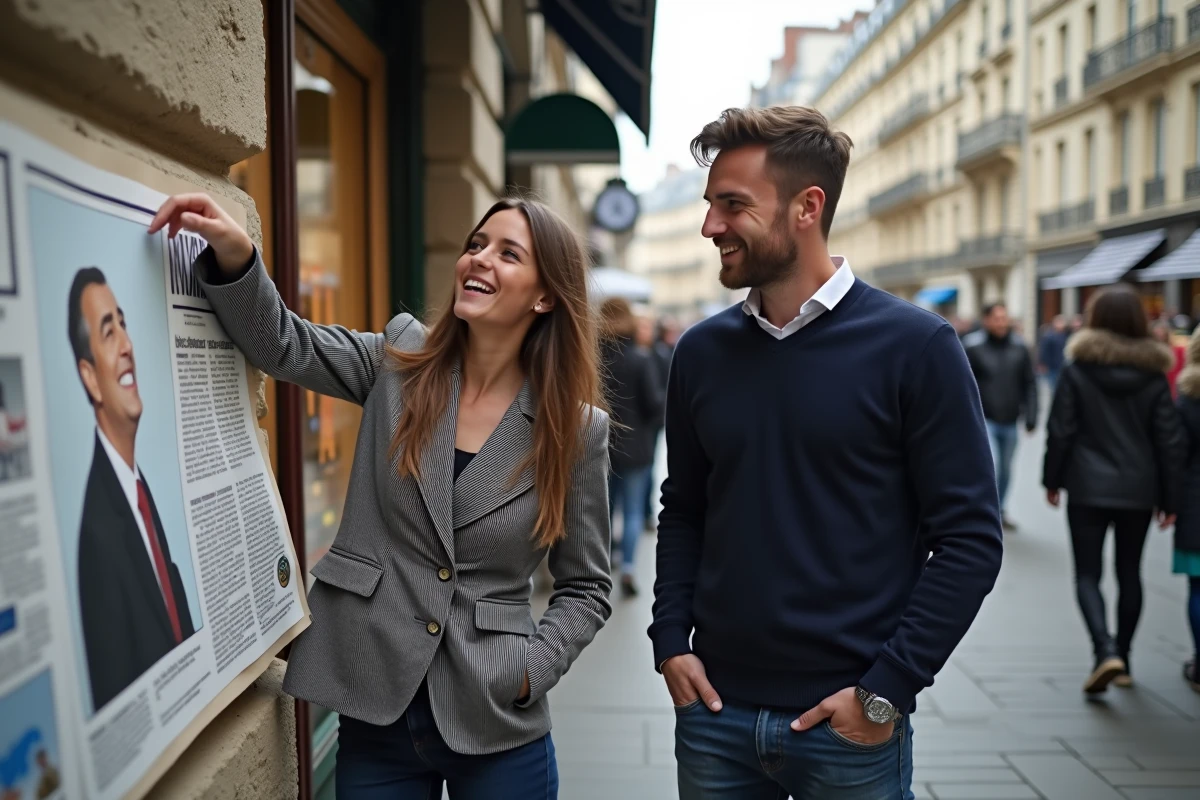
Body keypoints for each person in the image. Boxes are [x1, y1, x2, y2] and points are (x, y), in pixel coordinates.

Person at [150, 192, 612, 799]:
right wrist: (237, 259)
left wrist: (531, 670)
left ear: (545, 295)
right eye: (475, 245)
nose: (479, 260)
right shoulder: (402, 361)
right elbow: (286, 345)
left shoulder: (573, 429)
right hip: (374, 695)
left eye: (508, 254)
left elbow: (587, 584)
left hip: (494, 714)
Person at [649, 106, 1003, 800]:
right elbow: (684, 508)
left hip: (851, 728)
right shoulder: (699, 353)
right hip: (715, 718)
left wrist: (885, 692)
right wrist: (670, 643)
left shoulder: (917, 348)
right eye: (709, 204)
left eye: (733, 205)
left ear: (807, 207)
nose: (710, 226)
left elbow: (969, 539)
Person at [1042, 283, 1184, 694]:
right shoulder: (1154, 376)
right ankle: (1123, 656)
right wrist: (1170, 498)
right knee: (1130, 573)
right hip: (1138, 490)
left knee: (1088, 573)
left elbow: (1061, 429)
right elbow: (1169, 441)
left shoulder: (1078, 369)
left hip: (1086, 487)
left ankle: (1104, 650)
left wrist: (1052, 480)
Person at [69, 267, 196, 712]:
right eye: (109, 332)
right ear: (89, 377)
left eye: (124, 324)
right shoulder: (99, 532)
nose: (127, 345)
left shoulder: (135, 491)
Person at [600, 298, 664, 597]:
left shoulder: (591, 359)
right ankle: (627, 566)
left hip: (599, 446)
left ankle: (605, 562)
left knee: (605, 508)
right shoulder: (640, 358)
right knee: (635, 509)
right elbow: (653, 403)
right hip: (636, 446)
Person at [964, 302, 1039, 531]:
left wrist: (1031, 415)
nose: (1001, 322)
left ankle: (999, 509)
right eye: (996, 318)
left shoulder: (1020, 348)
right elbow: (963, 385)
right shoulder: (973, 347)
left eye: (1004, 317)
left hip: (1010, 419)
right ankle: (984, 512)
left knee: (1006, 469)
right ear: (986, 320)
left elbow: (1029, 383)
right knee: (992, 466)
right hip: (984, 419)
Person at [1170, 327, 1200, 693]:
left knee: (1198, 586)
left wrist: (1169, 499)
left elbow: (1176, 454)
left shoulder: (1188, 396)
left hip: (1196, 500)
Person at [1038, 315, 1068, 393]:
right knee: (1053, 388)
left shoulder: (1064, 336)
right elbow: (1044, 350)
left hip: (1061, 365)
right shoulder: (1049, 336)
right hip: (1052, 367)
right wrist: (1043, 363)